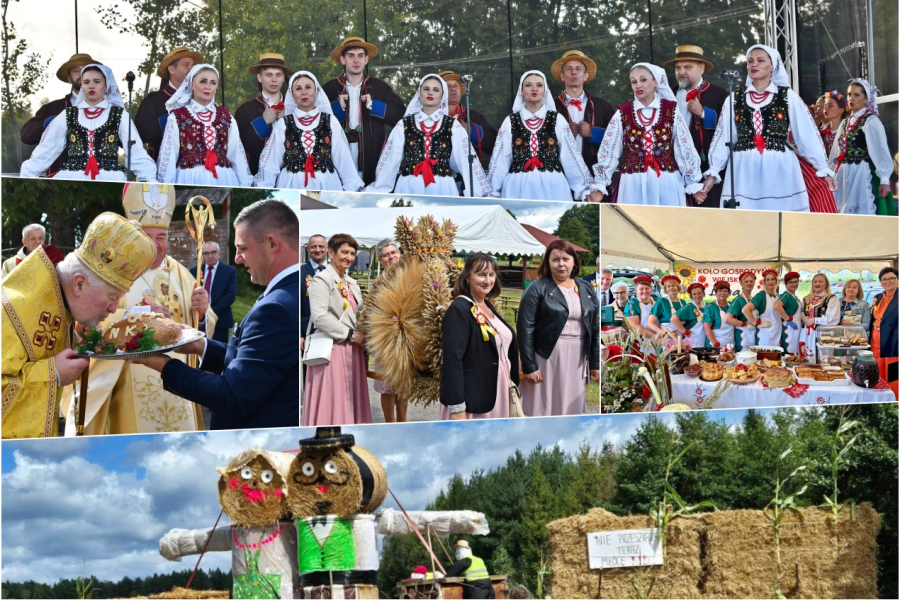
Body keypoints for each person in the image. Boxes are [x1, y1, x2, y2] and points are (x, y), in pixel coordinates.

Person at [60, 184, 216, 435]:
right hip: (124, 390)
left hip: (179, 392)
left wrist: (202, 312)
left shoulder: (181, 275)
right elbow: (84, 324)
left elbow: (200, 330)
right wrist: (135, 317)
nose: (154, 246)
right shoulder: (113, 271)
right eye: (146, 237)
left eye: (161, 238)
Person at [135, 200, 300, 430]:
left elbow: (232, 396)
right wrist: (200, 345)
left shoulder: (277, 308)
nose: (237, 258)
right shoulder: (297, 290)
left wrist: (164, 365)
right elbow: (256, 361)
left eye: (242, 248)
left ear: (272, 244)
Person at [2, 213, 157, 438]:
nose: (114, 308)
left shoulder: (59, 301)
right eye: (112, 296)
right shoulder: (9, 311)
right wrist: (51, 373)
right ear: (79, 283)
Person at [700, 44, 837, 211]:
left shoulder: (788, 97)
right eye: (750, 61)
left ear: (773, 66)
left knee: (781, 220)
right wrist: (714, 171)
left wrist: (823, 168)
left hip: (779, 168)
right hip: (743, 170)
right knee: (745, 221)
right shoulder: (735, 98)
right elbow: (724, 137)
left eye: (760, 60)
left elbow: (806, 135)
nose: (754, 64)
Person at [20, 64, 157, 182]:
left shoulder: (118, 115)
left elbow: (135, 151)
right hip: (73, 178)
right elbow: (48, 149)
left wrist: (147, 179)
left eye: (97, 81)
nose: (91, 85)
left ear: (106, 85)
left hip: (110, 178)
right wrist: (28, 175)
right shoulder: (68, 114)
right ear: (82, 87)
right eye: (86, 82)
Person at [594, 63, 704, 205]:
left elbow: (684, 147)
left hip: (667, 182)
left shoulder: (671, 110)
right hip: (632, 183)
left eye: (643, 80)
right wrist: (600, 185)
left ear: (656, 82)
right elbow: (608, 150)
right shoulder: (623, 112)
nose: (638, 85)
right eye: (634, 81)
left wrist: (692, 183)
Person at [367, 74, 490, 197]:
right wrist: (379, 187)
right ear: (419, 93)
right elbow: (390, 160)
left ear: (442, 95)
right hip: (410, 186)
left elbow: (464, 160)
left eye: (436, 90)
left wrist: (478, 193)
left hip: (443, 187)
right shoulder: (403, 124)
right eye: (426, 89)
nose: (430, 93)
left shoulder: (453, 126)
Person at [489, 70, 599, 202]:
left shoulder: (557, 119)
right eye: (528, 85)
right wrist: (491, 193)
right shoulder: (510, 121)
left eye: (539, 85)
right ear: (521, 91)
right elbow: (500, 159)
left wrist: (584, 189)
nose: (534, 88)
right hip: (517, 187)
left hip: (553, 187)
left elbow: (571, 157)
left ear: (545, 91)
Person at [517, 240, 599, 416]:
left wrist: (594, 362)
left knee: (571, 406)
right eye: (555, 259)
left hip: (578, 356)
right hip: (546, 355)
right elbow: (525, 328)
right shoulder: (537, 288)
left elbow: (595, 326)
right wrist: (529, 365)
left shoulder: (586, 288)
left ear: (574, 261)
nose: (561, 264)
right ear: (548, 262)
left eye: (566, 259)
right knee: (542, 406)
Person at [254, 71, 364, 191]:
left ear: (316, 91)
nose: (304, 92)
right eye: (298, 89)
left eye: (308, 87)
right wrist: (263, 188)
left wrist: (352, 186)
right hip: (291, 186)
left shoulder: (330, 121)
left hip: (327, 185)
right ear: (292, 94)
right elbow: (271, 162)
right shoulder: (283, 124)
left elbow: (343, 158)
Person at [440, 253, 519, 420]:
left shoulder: (486, 305)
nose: (487, 280)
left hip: (496, 393)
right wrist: (457, 407)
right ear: (468, 277)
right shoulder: (459, 309)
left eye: (491, 275)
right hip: (472, 400)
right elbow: (452, 360)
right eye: (481, 274)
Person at [302, 233, 370, 425]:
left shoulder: (353, 284)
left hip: (353, 350)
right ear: (331, 252)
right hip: (332, 348)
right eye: (344, 252)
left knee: (350, 399)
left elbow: (360, 315)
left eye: (352, 253)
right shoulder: (321, 280)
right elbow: (319, 317)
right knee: (333, 400)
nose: (348, 257)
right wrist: (349, 334)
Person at [322, 36, 406, 185]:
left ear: (366, 60)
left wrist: (375, 106)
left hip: (371, 152)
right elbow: (317, 122)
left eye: (360, 56)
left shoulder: (380, 87)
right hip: (339, 152)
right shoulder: (329, 88)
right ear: (343, 60)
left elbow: (400, 115)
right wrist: (337, 108)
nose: (356, 60)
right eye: (351, 56)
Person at [156, 64, 253, 186]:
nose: (208, 87)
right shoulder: (177, 117)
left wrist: (245, 186)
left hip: (224, 179)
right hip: (189, 179)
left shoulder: (227, 117)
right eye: (203, 81)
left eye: (213, 83)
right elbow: (168, 158)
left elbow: (237, 156)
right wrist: (165, 188)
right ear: (191, 85)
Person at [665, 45, 729, 208]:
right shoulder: (667, 94)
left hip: (706, 170)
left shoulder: (719, 94)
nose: (681, 72)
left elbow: (728, 130)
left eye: (687, 67)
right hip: (672, 169)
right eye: (678, 68)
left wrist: (703, 114)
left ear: (701, 68)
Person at [19, 53, 98, 174]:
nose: (82, 74)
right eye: (76, 70)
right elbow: (26, 136)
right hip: (60, 185)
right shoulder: (52, 108)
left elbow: (127, 142)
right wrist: (50, 123)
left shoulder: (109, 109)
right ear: (68, 78)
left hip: (98, 182)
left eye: (86, 70)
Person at [829, 79, 896, 215]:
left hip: (862, 173)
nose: (851, 98)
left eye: (856, 95)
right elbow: (835, 153)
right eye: (849, 94)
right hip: (843, 176)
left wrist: (884, 180)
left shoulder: (871, 121)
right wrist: (829, 175)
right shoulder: (845, 123)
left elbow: (880, 151)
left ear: (866, 100)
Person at [550, 50, 616, 173]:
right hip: (560, 175)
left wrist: (593, 132)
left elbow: (617, 139)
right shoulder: (550, 107)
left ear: (585, 76)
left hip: (595, 174)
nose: (574, 72)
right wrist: (564, 134)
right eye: (569, 69)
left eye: (578, 69)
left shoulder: (602, 106)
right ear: (562, 76)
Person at [134, 46, 203, 161]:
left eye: (193, 66)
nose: (191, 70)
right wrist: (174, 117)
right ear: (171, 70)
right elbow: (140, 133)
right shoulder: (153, 100)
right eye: (186, 65)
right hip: (161, 170)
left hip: (194, 172)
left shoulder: (198, 100)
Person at [234, 53, 292, 176]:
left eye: (278, 75)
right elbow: (238, 147)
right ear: (259, 77)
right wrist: (262, 122)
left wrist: (289, 119)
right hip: (256, 175)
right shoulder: (244, 110)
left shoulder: (294, 108)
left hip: (289, 176)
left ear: (283, 78)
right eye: (269, 75)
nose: (274, 79)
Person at [372, 239, 409, 423]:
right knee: (387, 386)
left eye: (393, 252)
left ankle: (402, 420)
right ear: (380, 260)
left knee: (403, 385)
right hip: (386, 341)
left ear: (399, 254)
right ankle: (390, 422)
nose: (391, 257)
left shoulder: (410, 278)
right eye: (386, 255)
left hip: (407, 340)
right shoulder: (378, 284)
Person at [439, 70, 498, 170]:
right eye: (448, 86)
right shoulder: (430, 118)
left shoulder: (475, 117)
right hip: (439, 177)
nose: (453, 89)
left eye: (456, 85)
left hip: (469, 177)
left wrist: (472, 131)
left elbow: (494, 145)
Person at [191, 241, 236, 344]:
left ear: (219, 253)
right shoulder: (195, 271)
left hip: (220, 321)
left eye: (213, 252)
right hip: (199, 321)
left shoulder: (229, 271)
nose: (210, 256)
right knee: (199, 354)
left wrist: (210, 313)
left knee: (218, 355)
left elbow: (230, 296)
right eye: (206, 253)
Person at [796, 273, 841, 363]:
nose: (817, 284)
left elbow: (833, 319)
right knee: (805, 358)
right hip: (806, 333)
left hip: (822, 333)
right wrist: (802, 317)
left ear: (826, 284)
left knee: (822, 358)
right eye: (815, 282)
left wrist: (815, 320)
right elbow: (800, 311)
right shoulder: (806, 299)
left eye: (821, 281)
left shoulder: (831, 299)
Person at [740, 269, 784, 348]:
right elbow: (745, 310)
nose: (770, 282)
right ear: (764, 283)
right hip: (765, 335)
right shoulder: (761, 295)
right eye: (767, 280)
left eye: (772, 279)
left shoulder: (778, 296)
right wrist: (756, 323)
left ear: (776, 282)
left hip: (777, 333)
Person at [871, 267, 898, 396]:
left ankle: (894, 398)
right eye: (884, 279)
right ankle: (880, 397)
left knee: (893, 373)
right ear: (881, 282)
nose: (888, 281)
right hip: (875, 338)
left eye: (892, 278)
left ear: (897, 280)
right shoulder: (878, 297)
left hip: (893, 340)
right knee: (877, 369)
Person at [301, 234, 328, 355]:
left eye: (321, 246)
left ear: (327, 248)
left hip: (334, 334)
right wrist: (298, 335)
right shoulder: (300, 273)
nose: (317, 250)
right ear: (308, 249)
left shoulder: (337, 272)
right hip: (308, 334)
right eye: (314, 247)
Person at [725, 271, 759, 351]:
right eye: (746, 281)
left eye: (751, 281)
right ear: (741, 284)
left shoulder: (753, 299)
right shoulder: (738, 300)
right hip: (742, 334)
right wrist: (744, 323)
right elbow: (727, 319)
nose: (749, 283)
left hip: (753, 333)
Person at [624, 275, 659, 353]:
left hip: (659, 339)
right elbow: (634, 325)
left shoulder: (658, 301)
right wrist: (654, 337)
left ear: (651, 289)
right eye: (641, 289)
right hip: (641, 340)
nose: (644, 291)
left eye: (647, 288)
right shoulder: (632, 304)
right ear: (636, 290)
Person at [670, 282, 708, 348]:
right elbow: (674, 319)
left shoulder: (706, 307)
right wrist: (685, 331)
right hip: (691, 343)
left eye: (699, 293)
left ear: (703, 294)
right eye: (694, 294)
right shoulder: (689, 307)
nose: (697, 296)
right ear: (691, 296)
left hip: (703, 341)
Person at [774, 272, 803, 353]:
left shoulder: (795, 297)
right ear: (786, 284)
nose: (794, 284)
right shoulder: (786, 295)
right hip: (789, 330)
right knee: (790, 352)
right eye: (790, 282)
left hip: (796, 330)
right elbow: (776, 306)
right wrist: (788, 319)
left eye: (795, 282)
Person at [703, 280, 736, 349]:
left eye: (725, 291)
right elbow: (706, 327)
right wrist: (715, 343)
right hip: (715, 344)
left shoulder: (732, 305)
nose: (722, 293)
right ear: (715, 293)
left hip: (730, 343)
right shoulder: (710, 306)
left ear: (729, 293)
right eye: (720, 291)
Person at [818, 90, 848, 157]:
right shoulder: (821, 134)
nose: (825, 108)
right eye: (825, 105)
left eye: (830, 106)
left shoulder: (847, 131)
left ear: (841, 110)